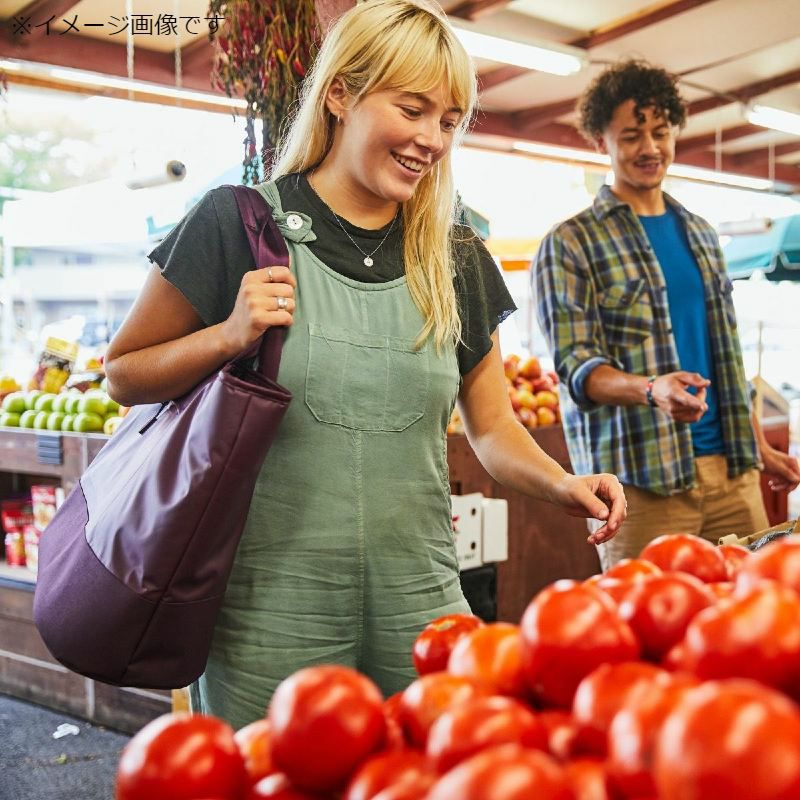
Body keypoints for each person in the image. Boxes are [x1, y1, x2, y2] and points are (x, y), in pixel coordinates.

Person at [104, 0, 625, 729]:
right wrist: (226, 335)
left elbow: (494, 429)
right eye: (412, 109)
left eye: (448, 121)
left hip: (423, 603)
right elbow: (123, 373)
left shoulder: (457, 256)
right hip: (266, 613)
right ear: (341, 94)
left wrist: (563, 484)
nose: (430, 140)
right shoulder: (237, 223)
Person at [534, 59, 800, 571]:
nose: (650, 148)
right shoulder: (570, 243)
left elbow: (724, 356)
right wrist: (651, 388)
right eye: (631, 135)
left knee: (747, 622)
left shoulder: (700, 233)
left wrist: (757, 445)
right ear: (601, 140)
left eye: (660, 131)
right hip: (640, 483)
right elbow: (578, 367)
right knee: (648, 631)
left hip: (731, 474)